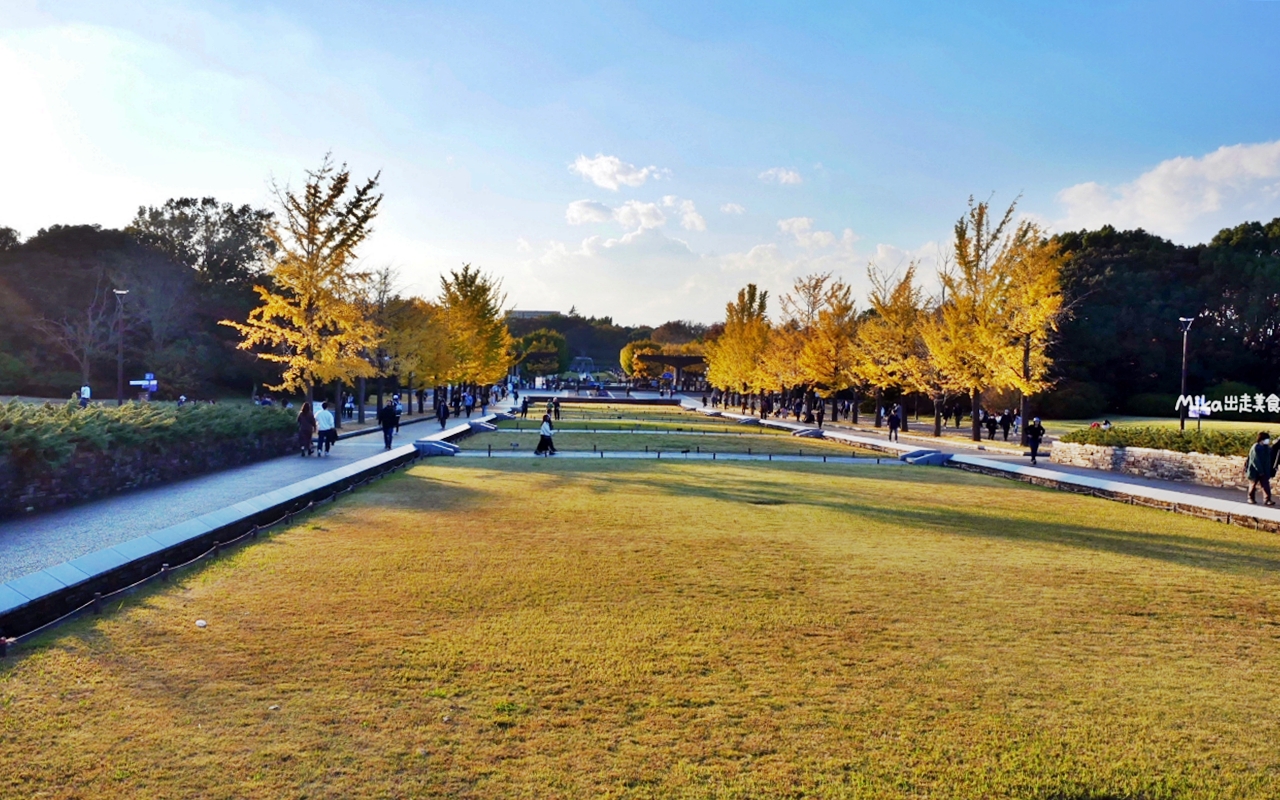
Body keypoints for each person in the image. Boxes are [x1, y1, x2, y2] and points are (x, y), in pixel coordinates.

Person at [1246, 432, 1275, 506]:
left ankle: (1267, 500)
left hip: (1264, 471)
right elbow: (1255, 460)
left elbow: (1270, 456)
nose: (1268, 441)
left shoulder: (1267, 448)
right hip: (1254, 471)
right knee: (1253, 485)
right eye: (1267, 439)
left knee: (1266, 485)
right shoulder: (1255, 448)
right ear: (1261, 440)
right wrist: (1260, 470)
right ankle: (1250, 498)